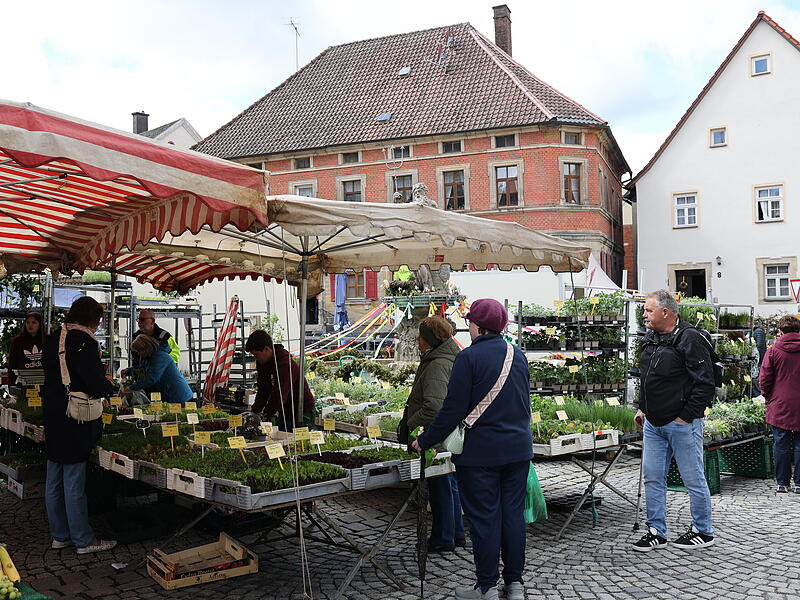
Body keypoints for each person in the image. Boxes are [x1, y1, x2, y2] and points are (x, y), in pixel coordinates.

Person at [413, 299, 532, 600]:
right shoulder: (517, 355)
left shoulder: (468, 358)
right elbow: (523, 404)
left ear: (476, 326)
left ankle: (487, 586)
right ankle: (515, 584)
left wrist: (425, 440)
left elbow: (451, 410)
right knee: (513, 516)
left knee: (485, 519)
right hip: (518, 450)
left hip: (480, 455)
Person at [634, 289, 716, 552]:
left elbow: (705, 384)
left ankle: (703, 530)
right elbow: (645, 376)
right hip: (653, 424)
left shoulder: (690, 339)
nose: (644, 314)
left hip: (682, 424)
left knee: (693, 479)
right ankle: (656, 530)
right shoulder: (651, 338)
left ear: (665, 312)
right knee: (653, 477)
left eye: (648, 310)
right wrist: (641, 407)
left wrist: (685, 417)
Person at [42, 296, 116, 555]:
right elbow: (94, 383)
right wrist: (109, 385)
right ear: (93, 318)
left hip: (52, 413)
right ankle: (84, 540)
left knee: (54, 477)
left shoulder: (54, 338)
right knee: (73, 479)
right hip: (74, 417)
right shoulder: (84, 341)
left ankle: (59, 535)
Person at [397, 316, 465, 552]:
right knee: (449, 483)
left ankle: (443, 538)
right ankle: (455, 534)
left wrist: (411, 425)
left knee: (440, 487)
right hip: (443, 433)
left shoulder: (437, 363)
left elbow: (434, 407)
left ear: (429, 340)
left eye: (421, 337)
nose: (417, 341)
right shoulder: (442, 358)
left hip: (435, 434)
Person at [759, 315, 800, 494]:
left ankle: (783, 483)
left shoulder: (773, 350)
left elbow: (765, 378)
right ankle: (799, 483)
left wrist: (767, 397)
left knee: (781, 443)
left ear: (780, 331)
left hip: (780, 402)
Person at [245, 330, 314, 427]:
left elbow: (280, 394)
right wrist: (254, 411)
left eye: (256, 355)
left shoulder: (285, 364)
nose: (255, 358)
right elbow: (263, 389)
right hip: (285, 409)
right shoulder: (262, 363)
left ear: (266, 349)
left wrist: (266, 415)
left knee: (297, 440)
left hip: (301, 410)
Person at [122, 335, 193, 405]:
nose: (138, 353)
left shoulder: (160, 357)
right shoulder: (149, 357)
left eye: (139, 351)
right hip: (169, 395)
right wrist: (129, 371)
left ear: (145, 348)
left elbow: (151, 378)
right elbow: (143, 370)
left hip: (178, 396)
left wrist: (131, 388)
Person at [7, 312, 44, 386]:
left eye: (34, 322)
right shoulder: (17, 341)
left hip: (44, 382)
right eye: (28, 322)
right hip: (22, 382)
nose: (30, 325)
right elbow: (12, 364)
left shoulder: (47, 340)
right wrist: (11, 385)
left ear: (40, 324)